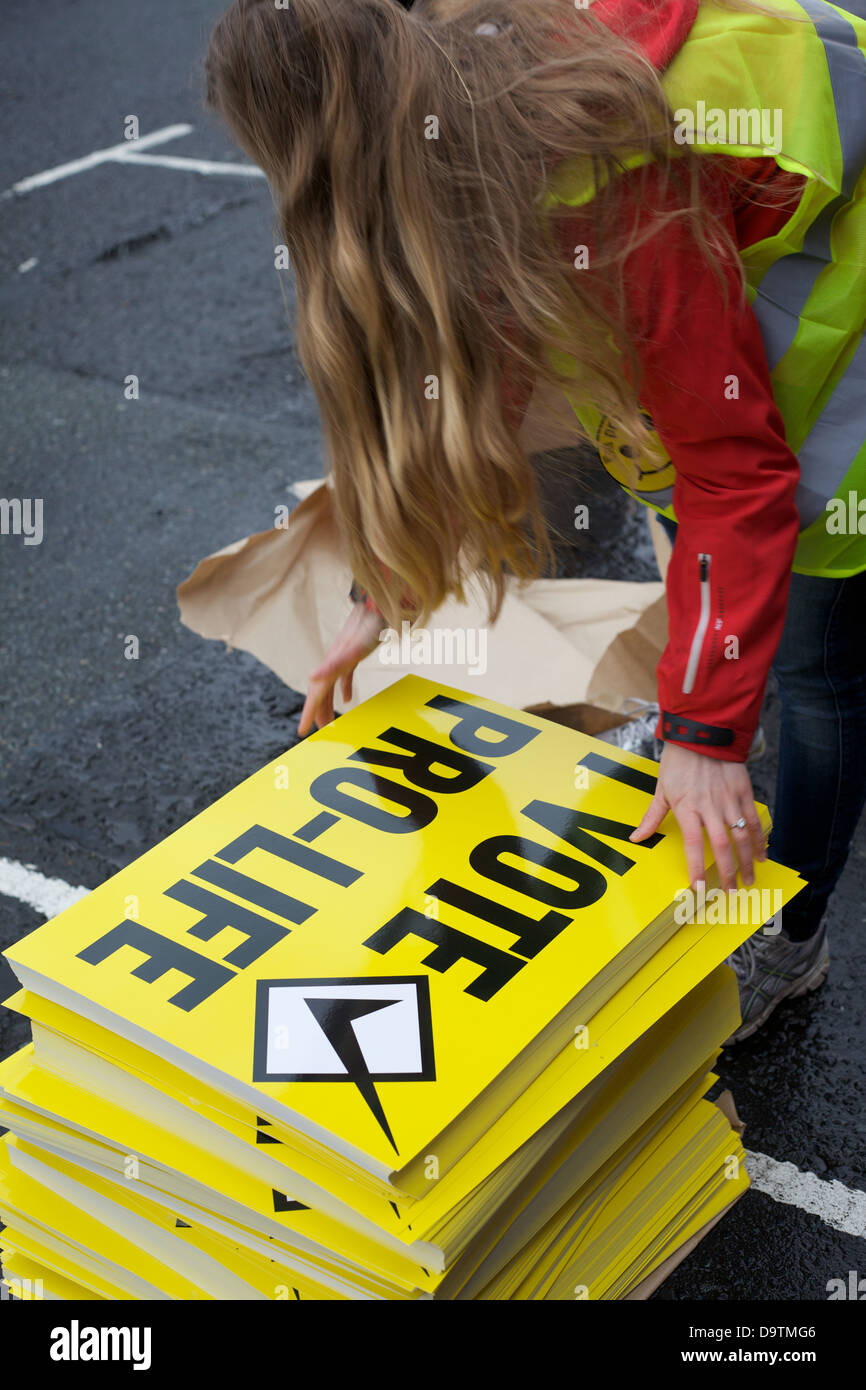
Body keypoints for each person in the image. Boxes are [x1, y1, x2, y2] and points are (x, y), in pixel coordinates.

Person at [204, 0, 866, 1041]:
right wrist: (394, 583)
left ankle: (789, 930)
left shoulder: (601, 177)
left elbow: (734, 477)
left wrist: (704, 731)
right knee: (737, 610)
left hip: (843, 276)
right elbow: (496, 356)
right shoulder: (454, 101)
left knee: (816, 657)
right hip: (727, 239)